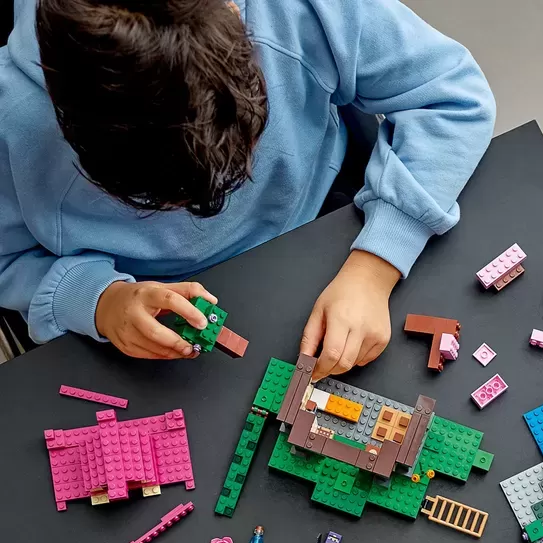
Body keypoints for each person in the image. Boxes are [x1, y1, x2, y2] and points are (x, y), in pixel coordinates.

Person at [0, 0, 495, 379]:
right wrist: (99, 301)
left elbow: (453, 97)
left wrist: (375, 266)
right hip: (142, 309)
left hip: (328, 222)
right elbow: (7, 261)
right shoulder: (11, 122)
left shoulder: (301, 12)